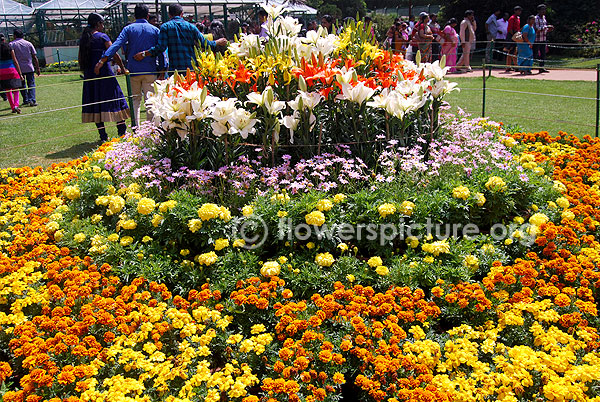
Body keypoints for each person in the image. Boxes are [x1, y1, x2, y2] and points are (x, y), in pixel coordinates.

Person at [94, 4, 165, 126]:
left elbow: (116, 45)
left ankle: (136, 129)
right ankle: (152, 130)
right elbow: (161, 51)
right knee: (151, 101)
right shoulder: (155, 30)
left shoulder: (128, 29)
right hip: (150, 70)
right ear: (148, 16)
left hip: (133, 71)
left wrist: (103, 60)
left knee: (134, 101)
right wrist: (163, 69)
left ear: (134, 16)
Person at [79, 12, 129, 142]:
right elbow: (114, 53)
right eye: (102, 23)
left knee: (96, 102)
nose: (103, 26)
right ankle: (122, 132)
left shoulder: (85, 38)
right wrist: (123, 68)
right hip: (105, 75)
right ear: (98, 24)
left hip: (90, 76)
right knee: (116, 100)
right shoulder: (102, 37)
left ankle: (103, 136)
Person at [134, 4, 227, 73]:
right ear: (182, 14)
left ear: (169, 14)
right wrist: (217, 42)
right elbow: (204, 43)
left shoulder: (165, 27)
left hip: (175, 70)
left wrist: (144, 54)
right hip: (191, 68)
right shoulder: (191, 27)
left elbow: (160, 48)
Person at [10, 29, 40, 107]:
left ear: (15, 36)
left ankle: (26, 100)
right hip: (29, 67)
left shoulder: (12, 44)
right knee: (31, 84)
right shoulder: (28, 43)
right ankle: (32, 100)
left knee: (21, 85)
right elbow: (34, 57)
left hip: (18, 68)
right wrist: (38, 68)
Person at [0, 35, 22, 113]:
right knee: (16, 88)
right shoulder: (9, 47)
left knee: (7, 89)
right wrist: (20, 73)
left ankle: (12, 107)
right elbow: (15, 60)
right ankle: (16, 104)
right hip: (11, 69)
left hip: (1, 71)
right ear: (4, 39)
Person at [534, 4, 553, 73]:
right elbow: (536, 29)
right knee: (534, 54)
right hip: (537, 39)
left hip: (543, 38)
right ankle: (527, 67)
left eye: (544, 9)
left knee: (543, 54)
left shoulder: (544, 18)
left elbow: (544, 28)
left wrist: (548, 29)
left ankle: (541, 67)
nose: (543, 11)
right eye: (542, 9)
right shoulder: (536, 18)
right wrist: (546, 27)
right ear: (538, 10)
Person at [506, 6, 522, 72]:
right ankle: (509, 66)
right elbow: (510, 29)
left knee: (514, 51)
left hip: (516, 35)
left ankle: (512, 65)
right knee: (510, 51)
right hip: (512, 36)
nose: (519, 12)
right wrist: (513, 37)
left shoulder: (518, 18)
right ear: (515, 11)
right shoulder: (512, 18)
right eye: (518, 11)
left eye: (520, 11)